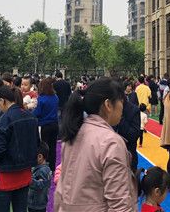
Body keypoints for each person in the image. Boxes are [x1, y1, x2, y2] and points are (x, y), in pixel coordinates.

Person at [55, 78, 137, 211]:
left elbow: (61, 190)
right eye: (121, 102)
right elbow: (119, 204)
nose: (123, 107)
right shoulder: (111, 142)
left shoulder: (73, 133)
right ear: (108, 105)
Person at [0, 85, 39, 212]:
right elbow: (36, 143)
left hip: (6, 173)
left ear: (2, 101)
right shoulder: (30, 116)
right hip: (25, 172)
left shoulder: (6, 118)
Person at [32, 77, 59, 170]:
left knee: (44, 147)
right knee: (53, 147)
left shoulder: (41, 99)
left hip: (45, 125)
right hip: (55, 124)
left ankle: (44, 167)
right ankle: (52, 167)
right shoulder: (55, 97)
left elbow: (37, 113)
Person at [27, 142, 52, 212]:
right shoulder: (42, 168)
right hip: (37, 204)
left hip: (36, 205)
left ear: (40, 157)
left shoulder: (43, 171)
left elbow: (40, 185)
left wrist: (28, 179)